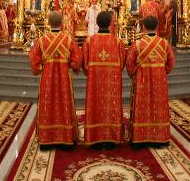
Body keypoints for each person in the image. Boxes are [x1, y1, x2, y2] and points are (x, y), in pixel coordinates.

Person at [29, 11, 81, 148]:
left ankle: (46, 140)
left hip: (47, 77)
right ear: (62, 23)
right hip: (64, 76)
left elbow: (34, 61)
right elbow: (77, 61)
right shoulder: (68, 39)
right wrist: (70, 65)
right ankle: (66, 138)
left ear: (48, 23)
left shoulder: (41, 40)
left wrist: (41, 67)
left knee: (48, 102)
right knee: (64, 101)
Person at [126, 16, 174, 146]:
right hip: (160, 79)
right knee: (158, 105)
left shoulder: (137, 44)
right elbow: (171, 63)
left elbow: (129, 65)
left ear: (143, 27)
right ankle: (160, 138)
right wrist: (163, 71)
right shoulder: (164, 43)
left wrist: (134, 73)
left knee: (143, 104)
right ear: (157, 27)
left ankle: (141, 138)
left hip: (142, 80)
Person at [82, 11, 125, 148]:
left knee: (95, 106)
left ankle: (95, 138)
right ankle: (111, 138)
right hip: (112, 83)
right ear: (110, 23)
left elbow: (84, 64)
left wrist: (90, 72)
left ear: (97, 23)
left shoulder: (90, 41)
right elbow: (122, 63)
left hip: (94, 83)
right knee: (111, 106)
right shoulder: (118, 42)